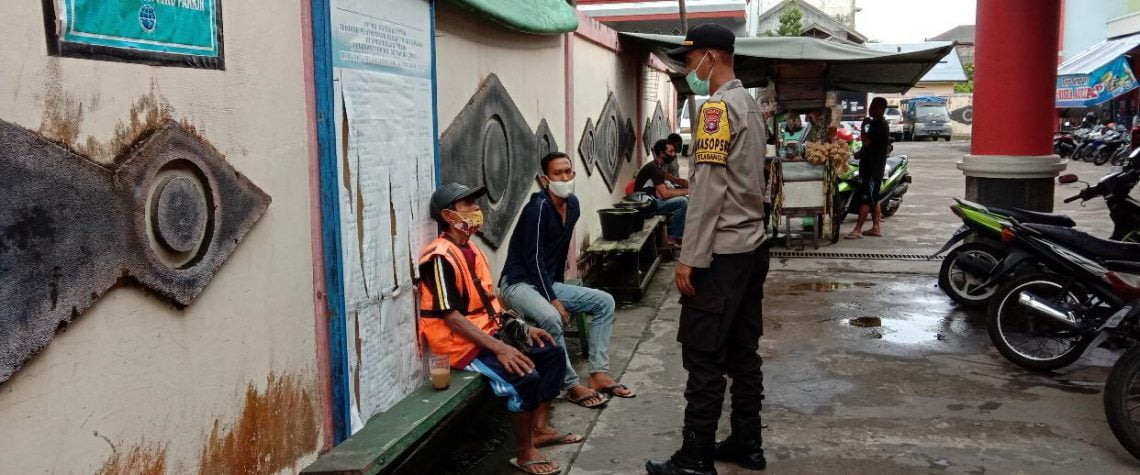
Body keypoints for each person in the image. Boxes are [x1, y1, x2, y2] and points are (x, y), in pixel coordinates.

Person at [647, 23, 771, 475]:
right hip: (752, 248)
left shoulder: (717, 110)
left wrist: (690, 258)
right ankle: (746, 442)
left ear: (711, 58)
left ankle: (695, 459)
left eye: (688, 58)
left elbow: (708, 192)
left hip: (721, 254)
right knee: (742, 352)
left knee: (703, 357)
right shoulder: (751, 105)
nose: (686, 68)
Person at [418, 182, 579, 475]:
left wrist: (521, 329)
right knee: (525, 376)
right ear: (448, 215)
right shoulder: (439, 256)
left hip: (488, 333)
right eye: (467, 204)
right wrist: (500, 347)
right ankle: (524, 452)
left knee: (551, 352)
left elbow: (489, 304)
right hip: (461, 344)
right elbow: (452, 317)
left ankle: (539, 429)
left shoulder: (471, 249)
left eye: (475, 203)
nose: (477, 209)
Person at [500, 152, 634, 410]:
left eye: (568, 172)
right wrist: (554, 300)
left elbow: (559, 251)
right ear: (544, 179)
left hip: (546, 282)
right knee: (551, 317)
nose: (565, 177)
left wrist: (557, 290)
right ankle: (570, 384)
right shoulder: (537, 209)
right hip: (517, 284)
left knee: (605, 301)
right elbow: (534, 259)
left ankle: (598, 373)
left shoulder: (573, 205)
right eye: (557, 173)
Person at [846, 97, 890, 239]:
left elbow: (866, 141)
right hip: (870, 167)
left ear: (881, 109)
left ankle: (858, 229)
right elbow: (870, 146)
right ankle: (876, 227)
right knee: (873, 198)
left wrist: (862, 127)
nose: (870, 109)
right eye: (871, 106)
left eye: (873, 106)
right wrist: (859, 153)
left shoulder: (880, 125)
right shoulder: (875, 123)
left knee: (866, 199)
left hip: (873, 169)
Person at [634, 139, 690, 245]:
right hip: (645, 206)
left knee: (683, 198)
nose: (674, 154)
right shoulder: (654, 168)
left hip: (649, 202)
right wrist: (687, 191)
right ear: (662, 153)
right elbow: (665, 194)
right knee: (683, 202)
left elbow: (675, 181)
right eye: (671, 151)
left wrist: (688, 187)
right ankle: (674, 237)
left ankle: (676, 234)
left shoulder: (656, 167)